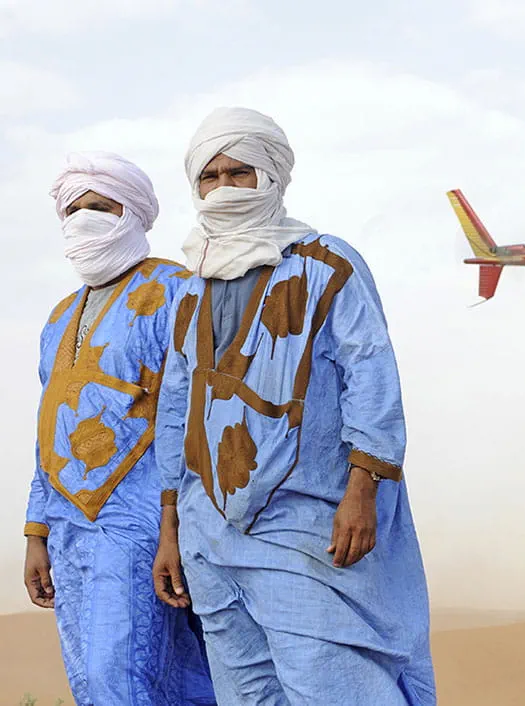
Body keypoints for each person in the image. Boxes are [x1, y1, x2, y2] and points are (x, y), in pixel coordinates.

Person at [153, 106, 436, 705]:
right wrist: (171, 528)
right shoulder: (189, 291)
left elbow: (372, 377)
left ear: (271, 177)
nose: (224, 189)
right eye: (211, 177)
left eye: (240, 173)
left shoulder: (327, 264)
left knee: (332, 686)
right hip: (209, 539)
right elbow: (175, 415)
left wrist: (364, 490)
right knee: (246, 694)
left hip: (307, 527)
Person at [23, 151, 217, 704]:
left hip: (144, 521)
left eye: (102, 207)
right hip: (67, 527)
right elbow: (49, 430)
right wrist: (36, 532)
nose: (86, 219)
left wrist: (174, 526)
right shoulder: (59, 317)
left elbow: (190, 416)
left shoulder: (176, 289)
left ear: (132, 213)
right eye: (75, 209)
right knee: (95, 681)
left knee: (121, 679)